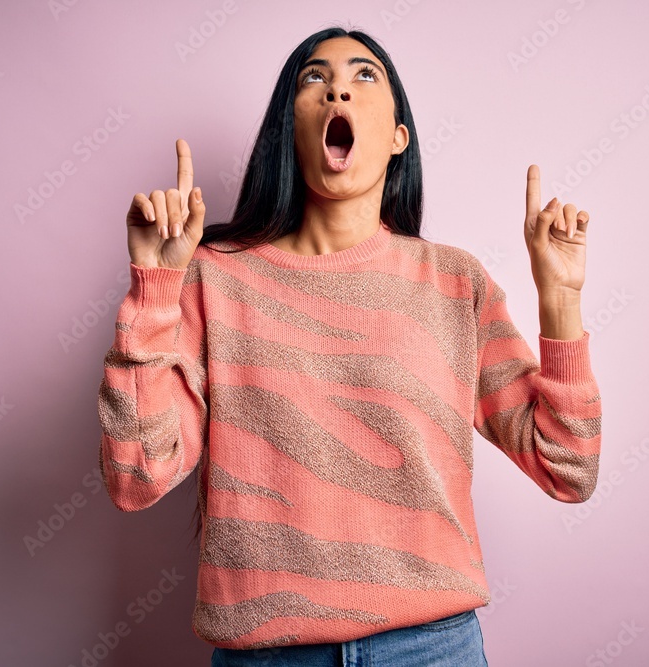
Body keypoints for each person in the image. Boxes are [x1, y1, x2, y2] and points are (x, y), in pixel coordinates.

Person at [96, 24, 601, 667]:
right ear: (290, 130)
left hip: (430, 649)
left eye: (365, 75)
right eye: (315, 78)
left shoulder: (454, 283)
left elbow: (568, 467)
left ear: (397, 136)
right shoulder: (213, 279)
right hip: (268, 657)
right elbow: (135, 476)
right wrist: (154, 286)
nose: (338, 89)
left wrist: (559, 298)